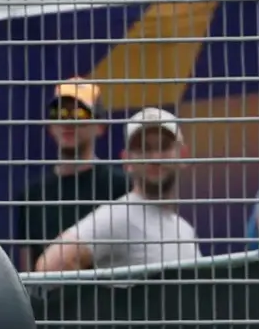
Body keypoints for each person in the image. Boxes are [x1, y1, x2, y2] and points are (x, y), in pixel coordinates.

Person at [35, 108, 201, 273]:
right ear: (126, 160)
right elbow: (50, 265)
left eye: (164, 147)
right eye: (143, 148)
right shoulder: (119, 215)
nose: (155, 157)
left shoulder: (184, 229)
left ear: (183, 155)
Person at [12, 78, 128, 270]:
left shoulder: (120, 187)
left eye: (78, 113)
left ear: (100, 126)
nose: (67, 121)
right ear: (50, 125)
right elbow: (29, 272)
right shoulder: (32, 195)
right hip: (51, 299)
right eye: (60, 113)